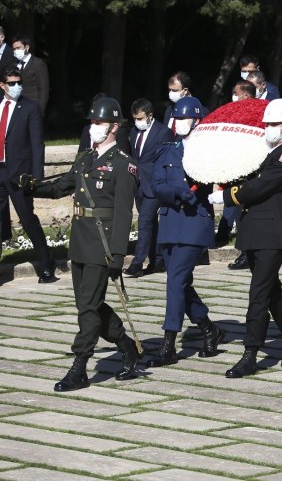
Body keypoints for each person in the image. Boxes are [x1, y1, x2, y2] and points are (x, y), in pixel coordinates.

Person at [22, 97, 140, 391]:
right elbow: (62, 186)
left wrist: (117, 253)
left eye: (98, 123)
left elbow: (125, 214)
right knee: (90, 305)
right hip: (81, 241)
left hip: (102, 243)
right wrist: (33, 188)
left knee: (87, 307)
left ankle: (80, 366)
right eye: (91, 122)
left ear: (114, 127)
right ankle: (126, 346)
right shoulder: (86, 158)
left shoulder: (124, 165)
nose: (92, 127)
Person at [208, 99, 282, 377]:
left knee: (258, 295)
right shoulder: (269, 155)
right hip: (256, 234)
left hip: (272, 235)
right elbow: (249, 178)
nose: (269, 129)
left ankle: (250, 353)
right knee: (270, 291)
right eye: (267, 124)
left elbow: (259, 187)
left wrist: (228, 196)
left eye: (275, 124)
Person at [146, 96, 224, 367]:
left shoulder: (207, 150)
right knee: (180, 283)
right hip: (170, 220)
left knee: (175, 281)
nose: (179, 123)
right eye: (177, 118)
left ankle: (168, 345)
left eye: (185, 118)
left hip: (193, 223)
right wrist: (177, 193)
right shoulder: (167, 149)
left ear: (198, 120)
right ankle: (208, 329)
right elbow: (156, 184)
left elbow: (221, 175)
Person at [0, 66, 55, 283]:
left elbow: (37, 144)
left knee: (27, 219)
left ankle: (46, 264)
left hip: (19, 174)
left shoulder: (29, 108)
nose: (16, 87)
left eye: (18, 82)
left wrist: (36, 177)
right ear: (2, 85)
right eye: (11, 83)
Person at [123, 98, 173, 278]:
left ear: (150, 116)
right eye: (135, 118)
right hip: (140, 185)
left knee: (144, 222)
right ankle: (158, 259)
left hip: (155, 186)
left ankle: (137, 263)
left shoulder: (163, 133)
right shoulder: (134, 132)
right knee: (151, 223)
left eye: (140, 118)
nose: (137, 122)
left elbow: (167, 159)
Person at [219, 80, 256, 269]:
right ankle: (245, 252)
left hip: (252, 171)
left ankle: (249, 253)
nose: (233, 96)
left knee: (249, 215)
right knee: (240, 214)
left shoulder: (258, 114)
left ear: (246, 96)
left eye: (236, 92)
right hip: (237, 169)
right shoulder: (234, 113)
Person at [10, 35, 48, 114]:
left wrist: (40, 111)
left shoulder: (38, 63)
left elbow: (43, 89)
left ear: (27, 47)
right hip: (16, 108)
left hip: (33, 108)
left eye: (18, 48)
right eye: (14, 49)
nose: (16, 51)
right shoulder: (14, 65)